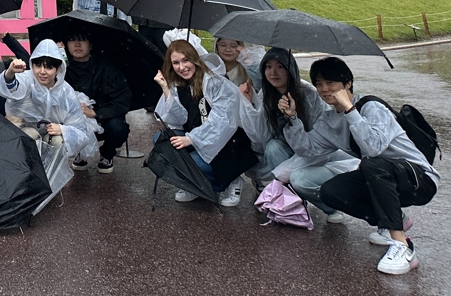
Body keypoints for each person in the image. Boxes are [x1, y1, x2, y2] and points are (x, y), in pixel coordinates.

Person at [286, 57, 439, 275]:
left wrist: (350, 110)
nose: (324, 89)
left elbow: (373, 147)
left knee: (372, 164)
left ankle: (402, 247)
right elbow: (306, 148)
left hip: (418, 179)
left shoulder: (371, 107)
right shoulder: (329, 120)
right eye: (319, 84)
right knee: (332, 191)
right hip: (382, 178)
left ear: (347, 83)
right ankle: (392, 223)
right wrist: (291, 118)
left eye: (330, 82)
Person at [153, 40, 254, 207]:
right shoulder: (180, 83)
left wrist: (191, 139)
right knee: (161, 142)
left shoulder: (216, 83)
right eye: (176, 63)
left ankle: (230, 180)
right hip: (198, 136)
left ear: (195, 59)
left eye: (185, 60)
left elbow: (223, 122)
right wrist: (165, 89)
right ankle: (196, 184)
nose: (182, 67)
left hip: (228, 143)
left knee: (192, 164)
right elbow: (178, 120)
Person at [0, 40, 99, 160]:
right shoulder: (26, 80)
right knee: (30, 136)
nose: (42, 72)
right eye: (38, 65)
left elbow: (80, 130)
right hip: (23, 131)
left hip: (51, 134)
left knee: (57, 141)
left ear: (58, 69)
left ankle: (51, 176)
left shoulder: (65, 92)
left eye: (49, 67)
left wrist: (63, 129)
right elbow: (10, 87)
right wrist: (10, 72)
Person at [236, 48, 323, 188]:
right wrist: (248, 103)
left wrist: (292, 117)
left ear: (290, 69)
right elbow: (260, 136)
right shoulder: (267, 93)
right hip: (280, 150)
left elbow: (317, 134)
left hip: (309, 151)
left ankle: (294, 190)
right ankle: (284, 191)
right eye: (268, 67)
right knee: (271, 147)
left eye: (280, 67)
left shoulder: (308, 94)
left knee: (274, 148)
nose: (273, 73)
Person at [62, 31, 131, 174]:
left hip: (103, 119)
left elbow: (122, 100)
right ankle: (79, 151)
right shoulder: (62, 68)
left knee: (119, 128)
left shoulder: (107, 68)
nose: (77, 45)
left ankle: (107, 153)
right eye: (72, 40)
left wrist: (95, 113)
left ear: (91, 44)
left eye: (82, 40)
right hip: (73, 120)